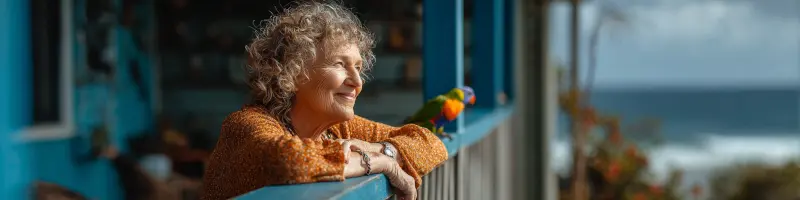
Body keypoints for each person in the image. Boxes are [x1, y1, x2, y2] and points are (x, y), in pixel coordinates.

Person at [201, 2, 448, 200]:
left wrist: (383, 150)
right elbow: (289, 161)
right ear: (293, 72)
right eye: (340, 65)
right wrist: (382, 164)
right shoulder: (245, 124)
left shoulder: (336, 130)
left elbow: (430, 143)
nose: (357, 82)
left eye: (359, 68)